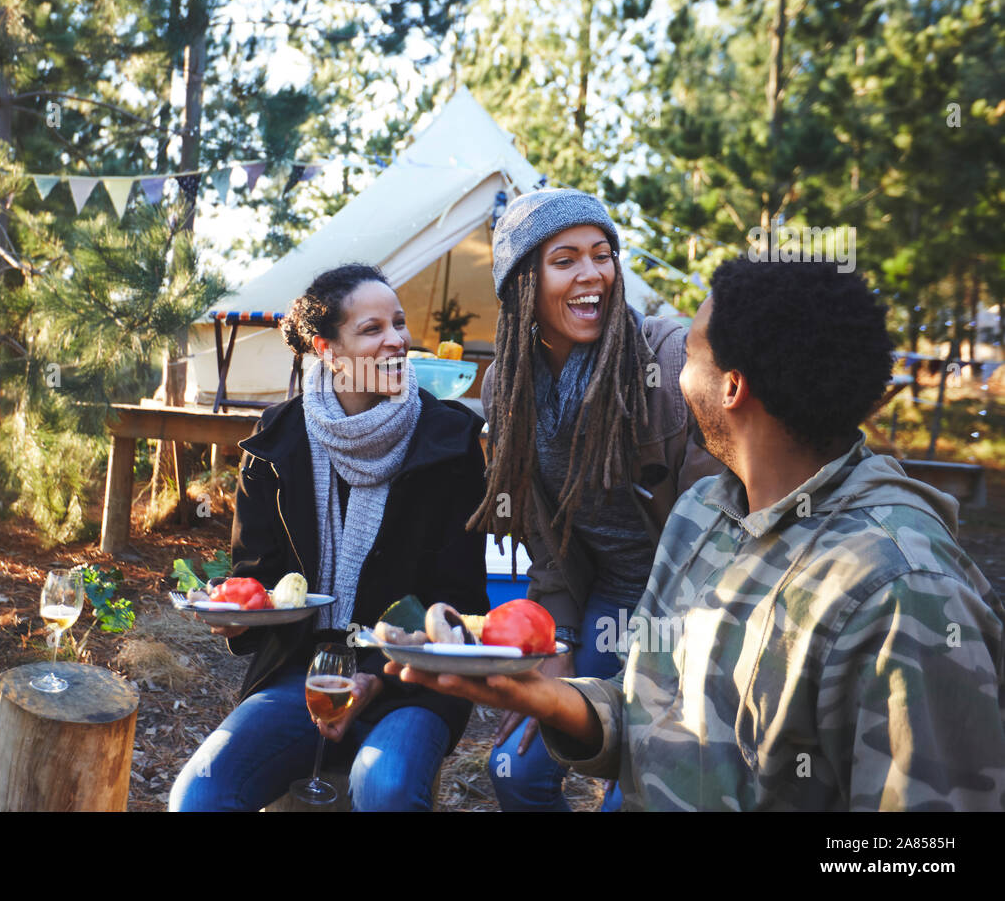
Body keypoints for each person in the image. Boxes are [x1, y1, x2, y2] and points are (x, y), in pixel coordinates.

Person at [391, 256, 1005, 810]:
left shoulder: (903, 596)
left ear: (732, 388)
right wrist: (549, 700)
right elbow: (657, 711)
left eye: (686, 355)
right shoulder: (702, 513)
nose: (673, 374)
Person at [169, 263, 488, 812]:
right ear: (328, 350)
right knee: (200, 794)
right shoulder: (276, 442)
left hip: (413, 679)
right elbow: (259, 580)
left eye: (398, 323)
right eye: (372, 330)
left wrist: (374, 677)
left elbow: (458, 600)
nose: (397, 341)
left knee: (384, 787)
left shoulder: (449, 442)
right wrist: (235, 609)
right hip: (303, 673)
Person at [472, 188, 720, 811]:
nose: (592, 275)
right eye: (565, 260)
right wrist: (557, 645)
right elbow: (544, 539)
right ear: (522, 283)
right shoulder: (508, 385)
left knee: (635, 791)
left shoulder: (671, 357)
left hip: (695, 604)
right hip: (605, 598)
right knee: (516, 767)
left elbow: (722, 524)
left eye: (602, 254)